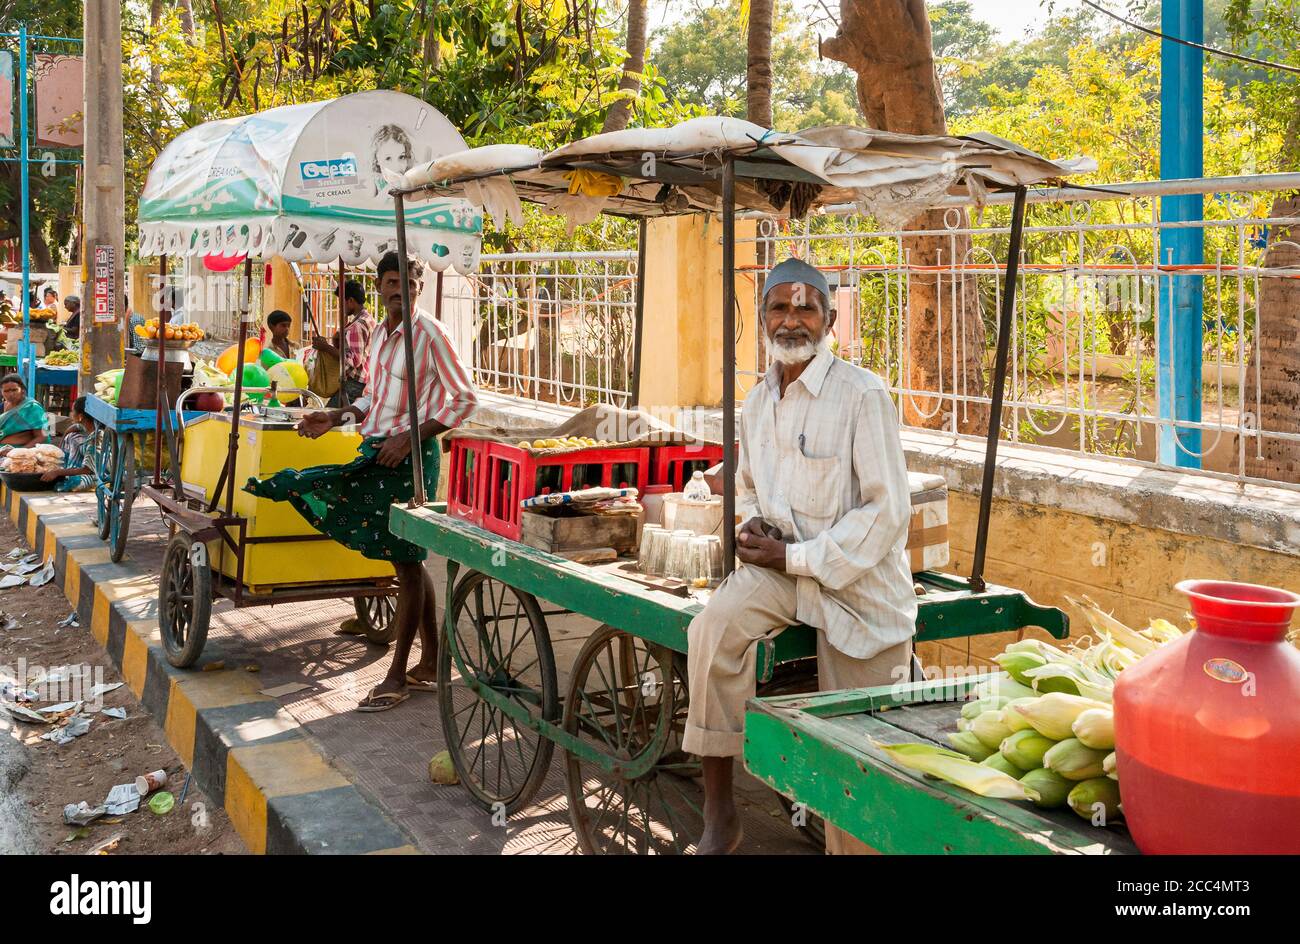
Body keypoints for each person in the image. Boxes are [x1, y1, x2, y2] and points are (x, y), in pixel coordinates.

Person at [683, 258, 918, 855]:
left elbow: (886, 513)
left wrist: (797, 556)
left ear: (830, 318)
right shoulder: (758, 402)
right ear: (761, 317)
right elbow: (755, 486)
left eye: (804, 307)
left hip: (856, 586)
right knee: (711, 633)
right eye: (779, 308)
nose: (791, 320)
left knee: (857, 755)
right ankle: (720, 814)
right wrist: (750, 520)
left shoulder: (863, 395)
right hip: (781, 571)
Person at [245, 252, 477, 712]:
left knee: (407, 563)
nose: (401, 290)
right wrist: (336, 415)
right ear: (380, 284)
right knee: (405, 561)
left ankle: (397, 675)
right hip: (376, 452)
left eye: (409, 282)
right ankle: (430, 661)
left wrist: (410, 440)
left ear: (418, 286)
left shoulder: (429, 333)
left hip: (411, 460)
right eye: (393, 282)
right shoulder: (380, 337)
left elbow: (466, 399)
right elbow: (373, 398)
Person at [305, 280, 373, 407]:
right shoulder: (367, 319)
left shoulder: (357, 326)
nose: (341, 307)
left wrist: (325, 348)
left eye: (342, 302)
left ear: (350, 301)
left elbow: (353, 360)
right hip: (363, 381)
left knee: (330, 417)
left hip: (354, 384)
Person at [41, 395, 93, 492]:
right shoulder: (86, 426)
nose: (71, 413)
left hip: (100, 474)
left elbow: (87, 470)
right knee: (71, 437)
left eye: (73, 411)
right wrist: (60, 450)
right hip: (87, 468)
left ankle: (68, 473)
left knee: (74, 483)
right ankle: (68, 469)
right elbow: (72, 428)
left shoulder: (95, 438)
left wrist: (57, 472)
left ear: (80, 416)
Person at [0, 373, 48, 457]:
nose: (10, 394)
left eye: (14, 390)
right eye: (6, 391)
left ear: (22, 390)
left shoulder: (32, 408)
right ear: (1, 392)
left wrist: (17, 452)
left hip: (21, 455)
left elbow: (42, 437)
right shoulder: (2, 406)